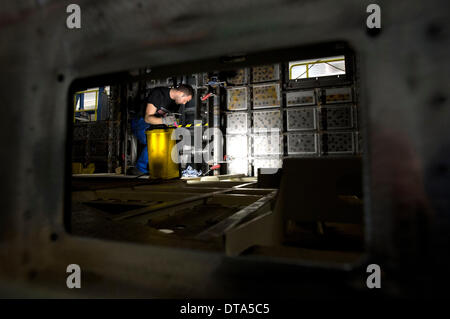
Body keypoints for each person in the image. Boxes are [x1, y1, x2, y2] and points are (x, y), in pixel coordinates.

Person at [128, 84, 194, 176]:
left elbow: (170, 120)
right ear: (180, 93)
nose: (184, 103)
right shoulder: (159, 94)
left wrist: (174, 126)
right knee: (155, 142)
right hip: (141, 122)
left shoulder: (175, 104)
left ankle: (160, 168)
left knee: (167, 140)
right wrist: (164, 120)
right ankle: (139, 169)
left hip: (156, 125)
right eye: (185, 100)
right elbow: (147, 118)